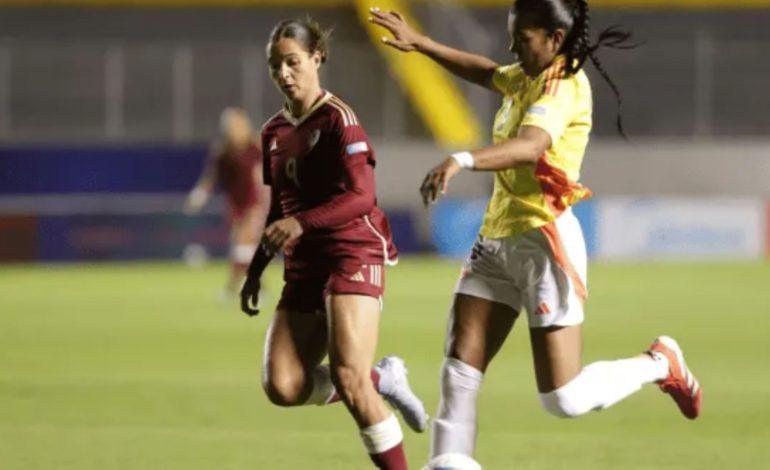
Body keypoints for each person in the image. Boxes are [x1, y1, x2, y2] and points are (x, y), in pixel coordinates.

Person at [370, 1, 702, 468]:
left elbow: (530, 146)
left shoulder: (563, 86)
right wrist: (422, 44)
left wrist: (461, 159)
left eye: (521, 39)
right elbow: (487, 72)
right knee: (459, 371)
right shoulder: (526, 74)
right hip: (496, 238)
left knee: (562, 398)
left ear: (554, 39)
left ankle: (660, 362)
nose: (512, 49)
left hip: (544, 242)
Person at [239, 18, 428, 470]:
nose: (284, 73)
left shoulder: (339, 119)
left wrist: (301, 223)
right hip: (304, 264)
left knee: (349, 378)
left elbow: (362, 197)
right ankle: (383, 377)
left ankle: (370, 388)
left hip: (352, 250)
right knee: (283, 385)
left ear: (317, 58)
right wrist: (255, 269)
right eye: (276, 66)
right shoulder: (272, 132)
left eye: (293, 62)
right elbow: (277, 208)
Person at [185, 108, 270, 297]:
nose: (233, 130)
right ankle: (246, 287)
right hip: (235, 204)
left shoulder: (256, 145)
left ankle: (245, 288)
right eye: (229, 127)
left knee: (244, 242)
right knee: (240, 249)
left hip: (256, 203)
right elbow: (212, 177)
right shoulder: (223, 151)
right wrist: (199, 195)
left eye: (236, 125)